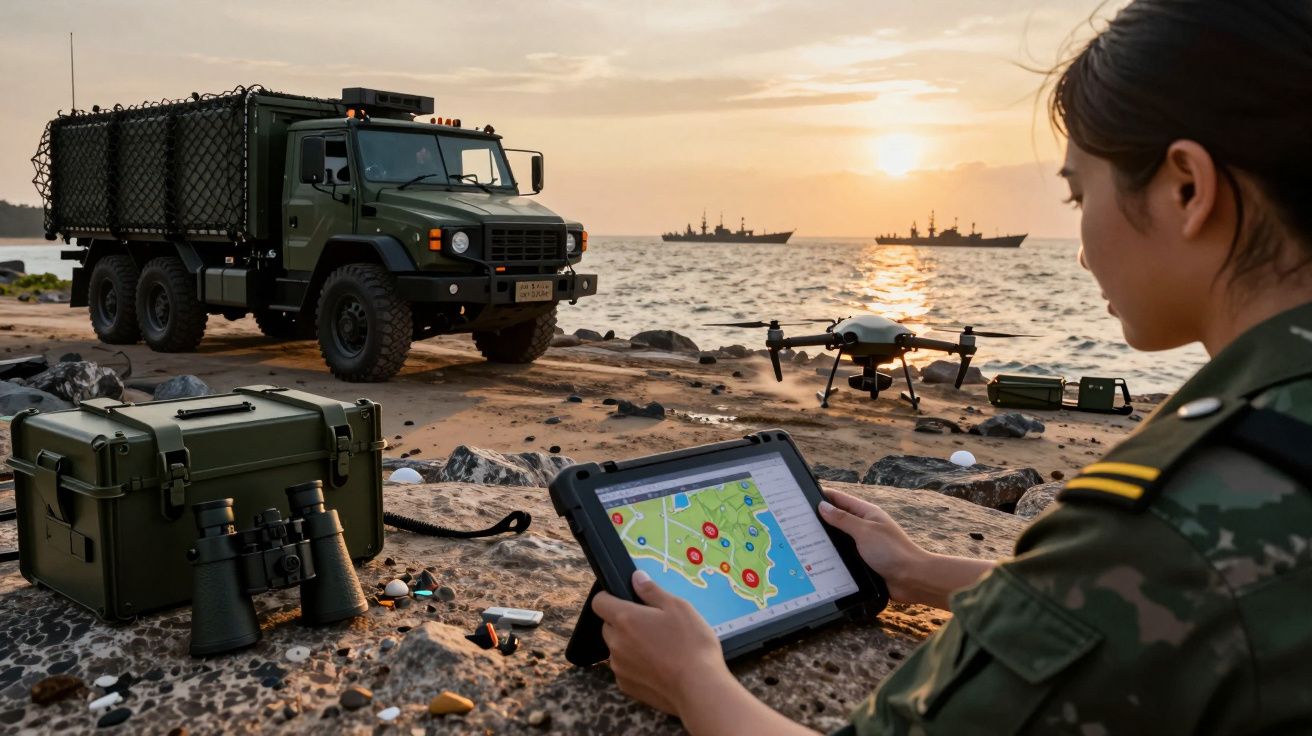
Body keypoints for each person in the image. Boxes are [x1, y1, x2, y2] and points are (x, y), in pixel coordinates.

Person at [590, 2, 1312, 733]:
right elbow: (1172, 607)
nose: (1084, 250)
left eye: (1079, 193)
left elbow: (1153, 579)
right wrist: (921, 572)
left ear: (1187, 188)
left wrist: (690, 679)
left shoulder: (1169, 520)